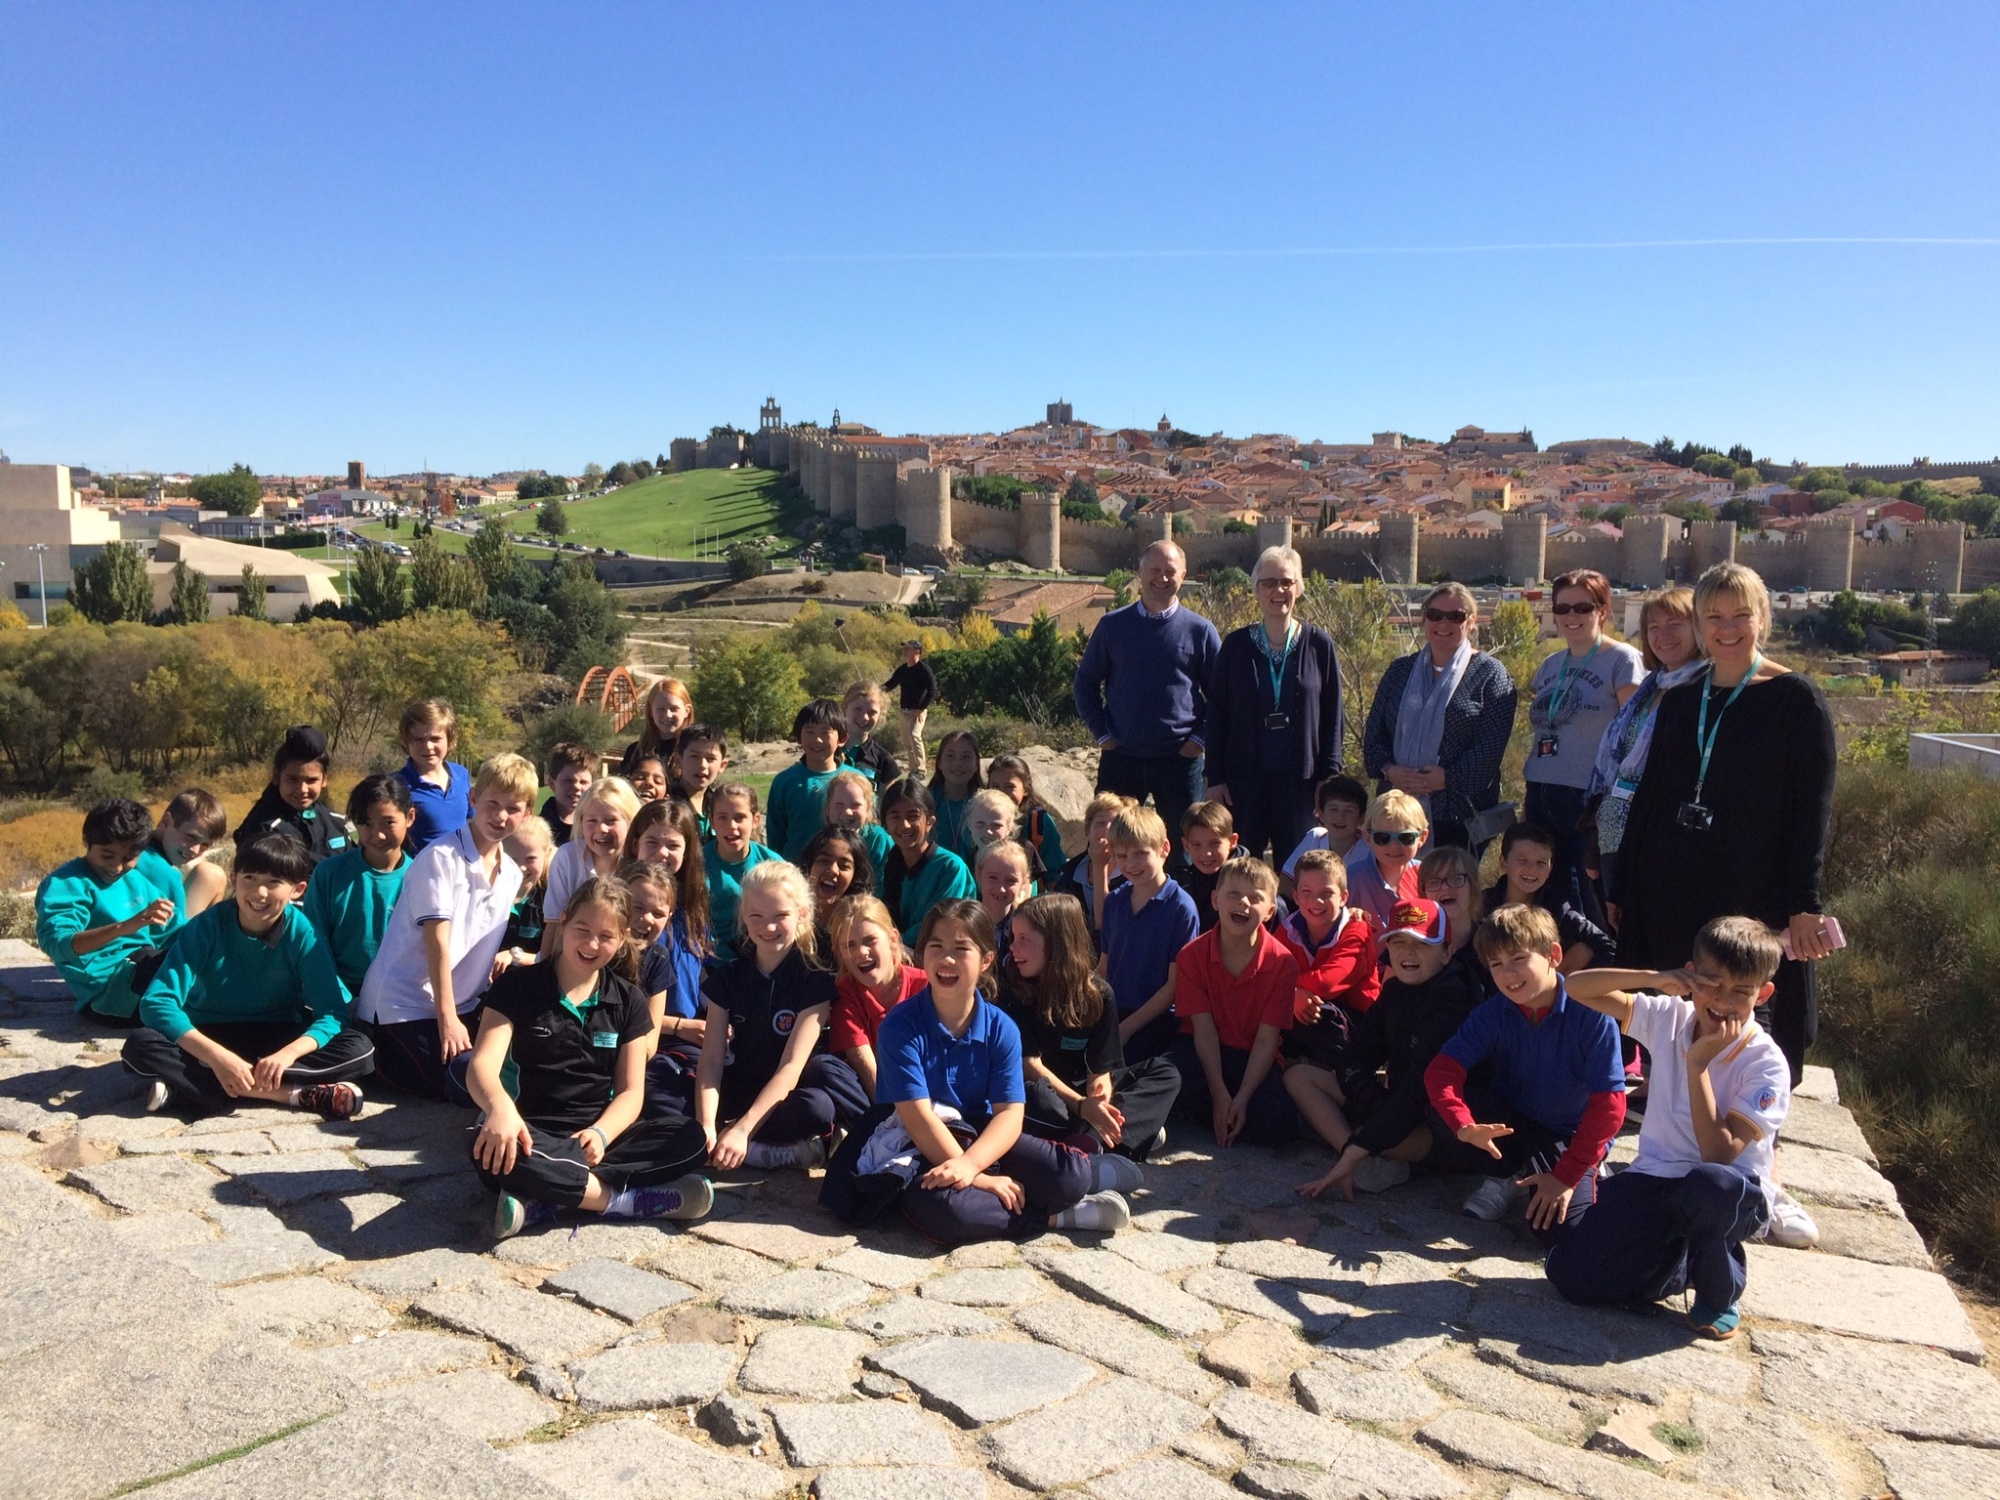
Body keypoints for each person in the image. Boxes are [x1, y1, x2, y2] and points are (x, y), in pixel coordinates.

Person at [1612, 562, 1837, 1093]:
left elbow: (1813, 809)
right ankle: (1675, 1087)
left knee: (1743, 984)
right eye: (1713, 616)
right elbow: (1650, 795)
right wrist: (1623, 885)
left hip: (1752, 878)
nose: (1727, 627)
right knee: (1681, 983)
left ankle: (1748, 1097)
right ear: (1699, 625)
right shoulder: (1683, 699)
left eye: (1741, 614)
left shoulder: (1796, 700)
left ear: (1762, 618)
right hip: (1674, 873)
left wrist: (1805, 902)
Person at [1545, 917, 1790, 1340]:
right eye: (1711, 984)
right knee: (1573, 1277)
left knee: (1710, 1185)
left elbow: (1719, 1154)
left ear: (1762, 993)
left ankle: (1719, 1289)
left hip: (1730, 1191)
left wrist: (1697, 1064)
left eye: (1740, 992)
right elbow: (1576, 987)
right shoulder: (1669, 1016)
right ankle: (1677, 1265)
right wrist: (1656, 979)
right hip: (1658, 1175)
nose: (1722, 1001)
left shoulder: (1765, 1063)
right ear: (1691, 975)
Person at [828, 900, 1128, 1240]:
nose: (946, 959)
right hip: (913, 1139)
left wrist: (971, 1165)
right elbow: (917, 1117)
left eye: (961, 948)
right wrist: (978, 1177)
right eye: (936, 947)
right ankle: (1055, 1219)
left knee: (1069, 1178)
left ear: (986, 959)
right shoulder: (900, 1026)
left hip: (977, 1131)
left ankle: (1076, 1179)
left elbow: (1010, 1115)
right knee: (949, 1211)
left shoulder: (1002, 1028)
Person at [470, 875, 712, 1238]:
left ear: (621, 939)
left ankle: (547, 1197)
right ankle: (625, 1202)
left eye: (606, 936)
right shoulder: (517, 987)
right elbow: (482, 1066)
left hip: (599, 1139)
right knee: (491, 1148)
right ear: (564, 919)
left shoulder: (628, 999)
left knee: (691, 1137)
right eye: (582, 929)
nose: (591, 943)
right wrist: (501, 1110)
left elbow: (631, 1091)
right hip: (529, 1131)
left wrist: (601, 1134)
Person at [123, 834, 373, 1119]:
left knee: (360, 1049)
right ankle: (289, 1094)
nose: (259, 893)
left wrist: (287, 1055)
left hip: (275, 1034)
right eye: (250, 878)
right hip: (208, 1032)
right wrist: (217, 1057)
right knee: (140, 1046)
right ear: (234, 878)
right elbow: (157, 1002)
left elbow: (332, 1012)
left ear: (297, 889)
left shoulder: (302, 932)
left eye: (274, 882)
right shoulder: (206, 926)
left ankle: (196, 1088)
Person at [1422, 904, 1627, 1240]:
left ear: (1553, 955)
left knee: (1558, 1232)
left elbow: (1611, 1107)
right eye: (1497, 964)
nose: (1508, 973)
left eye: (1518, 959)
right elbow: (1441, 1070)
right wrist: (1464, 1126)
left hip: (1570, 1133)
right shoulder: (1493, 1011)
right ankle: (1507, 1174)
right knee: (1439, 1109)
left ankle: (1587, 1171)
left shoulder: (1592, 1012)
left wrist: (1566, 1175)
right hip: (1515, 1123)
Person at [356, 753, 534, 1103]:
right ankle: (368, 1059)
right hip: (403, 1007)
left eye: (513, 809)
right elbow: (438, 942)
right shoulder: (441, 857)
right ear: (473, 799)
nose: (500, 816)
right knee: (464, 1084)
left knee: (515, 1068)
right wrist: (448, 1018)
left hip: (464, 1003)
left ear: (527, 813)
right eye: (492, 803)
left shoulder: (511, 873)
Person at [1292, 897, 1484, 1200]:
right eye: (1398, 942)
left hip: (1435, 1121)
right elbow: (1355, 1056)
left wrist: (1373, 1113)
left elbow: (1418, 1092)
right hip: (1394, 1102)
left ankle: (1361, 1153)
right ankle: (1362, 1159)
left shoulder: (1453, 1004)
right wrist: (1368, 1096)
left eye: (1422, 943)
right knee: (1299, 1076)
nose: (1408, 952)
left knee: (1420, 1119)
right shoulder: (1395, 991)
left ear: (1447, 953)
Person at [696, 861, 868, 1170]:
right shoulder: (728, 977)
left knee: (818, 1108)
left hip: (783, 1096)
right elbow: (710, 1059)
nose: (768, 927)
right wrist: (706, 1124)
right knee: (667, 1091)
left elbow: (791, 1067)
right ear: (744, 919)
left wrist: (743, 1129)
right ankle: (724, 1142)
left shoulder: (814, 980)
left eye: (781, 916)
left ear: (802, 914)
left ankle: (753, 1148)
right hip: (739, 1087)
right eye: (756, 917)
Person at [1003, 892, 1180, 1160]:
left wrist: (1099, 1102)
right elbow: (1029, 1066)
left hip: (1080, 1091)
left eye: (1024, 940)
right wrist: (1082, 1106)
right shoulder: (1014, 989)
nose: (1013, 949)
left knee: (1166, 1073)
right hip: (1046, 1089)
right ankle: (1126, 1135)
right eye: (1012, 939)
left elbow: (1101, 1070)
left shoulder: (1098, 994)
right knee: (1036, 1100)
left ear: (1056, 945)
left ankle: (1095, 1137)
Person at [1073, 540, 1220, 857]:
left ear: (1183, 575)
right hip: (1122, 757)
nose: (1162, 578)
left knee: (1184, 851)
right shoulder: (1113, 626)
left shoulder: (1201, 631)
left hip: (1180, 762)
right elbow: (1085, 683)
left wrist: (1198, 740)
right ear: (1140, 573)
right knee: (1111, 850)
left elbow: (1223, 697)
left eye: (1170, 571)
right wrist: (1103, 734)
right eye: (1154, 570)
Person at [1205, 545, 1345, 866]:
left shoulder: (1319, 645)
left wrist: (1329, 777)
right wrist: (1215, 778)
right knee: (1241, 866)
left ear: (1299, 588)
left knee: (1299, 869)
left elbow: (1333, 715)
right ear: (1256, 590)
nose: (1278, 590)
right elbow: (1217, 715)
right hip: (1243, 783)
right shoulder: (1236, 646)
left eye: (1286, 582)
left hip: (1302, 786)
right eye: (1269, 583)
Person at [1523, 570, 1642, 923]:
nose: (1571, 617)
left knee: (1592, 901)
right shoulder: (1551, 665)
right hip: (1542, 791)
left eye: (1582, 607)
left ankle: (1604, 970)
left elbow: (1634, 737)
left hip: (1588, 800)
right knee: (1548, 897)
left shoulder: (1623, 660)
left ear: (1602, 611)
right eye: (1563, 608)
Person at [1363, 583, 1518, 851]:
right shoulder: (1400, 671)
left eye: (1455, 616)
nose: (1443, 623)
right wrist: (1390, 770)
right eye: (1435, 615)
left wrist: (1447, 778)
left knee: (1451, 889)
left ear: (1471, 621)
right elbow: (1374, 736)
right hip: (1396, 817)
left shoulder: (1492, 676)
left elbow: (1490, 748)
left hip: (1458, 819)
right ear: (1424, 619)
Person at [1169, 856, 1301, 1147]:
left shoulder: (1283, 963)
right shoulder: (1191, 955)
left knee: (1286, 1125)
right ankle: (1217, 1113)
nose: (1243, 903)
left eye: (1255, 898)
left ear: (1269, 911)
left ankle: (1223, 1115)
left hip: (1251, 1055)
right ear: (1215, 900)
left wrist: (1240, 1098)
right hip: (1203, 1050)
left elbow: (1267, 1040)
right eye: (1233, 895)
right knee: (1167, 1079)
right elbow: (1203, 1030)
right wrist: (1220, 1095)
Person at [1588, 585, 1703, 906]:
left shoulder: (1707, 690)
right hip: (1617, 831)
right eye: (1654, 627)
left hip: (1666, 838)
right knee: (1621, 935)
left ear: (1699, 629)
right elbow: (1618, 763)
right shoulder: (1650, 687)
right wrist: (1597, 841)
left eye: (1675, 624)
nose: (1662, 635)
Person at [38, 797, 185, 1025]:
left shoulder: (135, 879)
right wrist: (123, 928)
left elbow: (176, 931)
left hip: (144, 964)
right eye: (107, 855)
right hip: (110, 995)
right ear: (87, 840)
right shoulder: (66, 883)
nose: (117, 867)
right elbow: (59, 945)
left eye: (128, 858)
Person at [303, 775, 415, 1005]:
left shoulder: (423, 877)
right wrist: (343, 1000)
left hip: (404, 996)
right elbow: (314, 946)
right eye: (366, 824)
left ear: (410, 817)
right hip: (339, 995)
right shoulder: (329, 874)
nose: (378, 835)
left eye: (388, 822)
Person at [1102, 805, 1200, 1063]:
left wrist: (1125, 1030)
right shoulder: (1114, 901)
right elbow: (1104, 966)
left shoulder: (1181, 908)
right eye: (1121, 856)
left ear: (1164, 849)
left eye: (1140, 854)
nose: (1130, 864)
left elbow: (1173, 987)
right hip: (1113, 1012)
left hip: (1158, 1019)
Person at [1280, 849, 1380, 1069]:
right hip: (1308, 1013)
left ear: (1343, 897)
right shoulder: (1288, 928)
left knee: (1321, 1012)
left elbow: (1327, 982)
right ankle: (1291, 1061)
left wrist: (1290, 992)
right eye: (1306, 892)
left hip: (1360, 1024)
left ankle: (1343, 1074)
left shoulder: (1356, 930)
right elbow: (1267, 973)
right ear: (1295, 895)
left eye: (1326, 893)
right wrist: (1292, 995)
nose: (1316, 901)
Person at [828, 894, 927, 1099]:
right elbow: (867, 1071)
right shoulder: (845, 994)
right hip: (882, 1100)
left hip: (928, 1092)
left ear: (892, 939)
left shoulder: (926, 986)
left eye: (869, 940)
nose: (861, 952)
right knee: (825, 1070)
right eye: (849, 945)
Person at [1486, 823, 1614, 972]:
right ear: (1504, 862)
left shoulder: (1558, 909)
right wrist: (1563, 967)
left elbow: (1608, 948)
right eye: (1522, 860)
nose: (1532, 869)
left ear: (1550, 868)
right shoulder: (1481, 907)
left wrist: (1563, 979)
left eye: (1541, 863)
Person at [540, 777, 642, 947]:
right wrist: (546, 970)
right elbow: (554, 925)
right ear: (581, 822)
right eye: (592, 821)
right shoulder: (568, 857)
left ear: (631, 822)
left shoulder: (639, 863)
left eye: (611, 821)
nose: (601, 829)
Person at [232, 725, 351, 867]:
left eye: (311, 780)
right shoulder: (263, 828)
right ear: (276, 777)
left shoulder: (334, 822)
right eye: (292, 779)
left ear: (324, 779)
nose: (302, 789)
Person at [878, 778, 977, 947]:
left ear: (930, 822)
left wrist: (892, 944)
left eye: (913, 816)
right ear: (885, 825)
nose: (904, 825)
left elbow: (939, 923)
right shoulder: (889, 862)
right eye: (895, 816)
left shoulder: (950, 867)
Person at [767, 698, 849, 863]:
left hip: (842, 871)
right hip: (795, 874)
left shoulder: (854, 780)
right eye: (810, 732)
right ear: (798, 736)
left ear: (842, 739)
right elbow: (776, 836)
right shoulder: (784, 782)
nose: (817, 740)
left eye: (825, 733)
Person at [702, 782, 776, 962]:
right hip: (709, 963)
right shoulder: (697, 863)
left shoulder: (772, 865)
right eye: (722, 817)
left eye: (740, 817)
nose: (731, 826)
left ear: (756, 820)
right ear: (711, 820)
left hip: (761, 959)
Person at [396, 698, 473, 857]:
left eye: (435, 739)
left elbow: (473, 821)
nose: (428, 746)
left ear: (450, 741)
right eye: (418, 739)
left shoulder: (461, 775)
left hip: (463, 872)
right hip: (423, 875)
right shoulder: (397, 785)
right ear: (406, 743)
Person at [1346, 791, 1427, 931]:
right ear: (1368, 838)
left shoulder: (1426, 875)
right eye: (1382, 838)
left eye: (1405, 837)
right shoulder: (1352, 878)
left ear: (1422, 838)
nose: (1394, 846)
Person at [983, 754, 1066, 887]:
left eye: (1010, 786)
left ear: (1025, 790)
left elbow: (1054, 873)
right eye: (995, 787)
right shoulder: (980, 820)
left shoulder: (1038, 822)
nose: (1002, 793)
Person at [1061, 792, 1132, 945]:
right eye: (1100, 823)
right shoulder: (1071, 871)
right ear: (1087, 830)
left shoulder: (1132, 874)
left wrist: (1101, 865)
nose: (1107, 829)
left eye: (1114, 824)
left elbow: (1105, 925)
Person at [1417, 844, 1487, 993]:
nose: (1445, 887)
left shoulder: (1493, 940)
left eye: (1455, 879)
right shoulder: (1410, 941)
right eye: (1434, 881)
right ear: (1423, 892)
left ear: (1473, 885)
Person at [148, 789, 228, 919]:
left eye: (205, 845)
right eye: (191, 837)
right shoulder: (167, 876)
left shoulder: (132, 848)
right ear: (167, 821)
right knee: (211, 874)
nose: (196, 851)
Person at [1280, 774, 1369, 888]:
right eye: (1333, 809)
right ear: (1321, 814)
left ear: (1361, 818)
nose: (1340, 817)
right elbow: (1286, 881)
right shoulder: (1315, 838)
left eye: (1349, 811)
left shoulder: (1369, 848)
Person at [1173, 801, 1239, 935]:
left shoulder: (1250, 882)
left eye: (1214, 843)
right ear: (1186, 845)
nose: (1206, 853)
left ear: (1232, 841)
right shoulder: (1184, 886)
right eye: (1197, 845)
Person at [802, 825, 874, 948]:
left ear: (855, 877)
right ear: (809, 866)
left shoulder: (861, 924)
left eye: (844, 865)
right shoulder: (788, 914)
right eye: (824, 861)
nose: (833, 870)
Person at [823, 769, 895, 885]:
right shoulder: (822, 840)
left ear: (868, 810)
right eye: (839, 805)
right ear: (828, 808)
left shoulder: (877, 840)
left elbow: (885, 885)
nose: (847, 812)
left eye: (855, 805)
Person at [500, 816, 553, 962]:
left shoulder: (552, 899)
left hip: (531, 981)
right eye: (512, 859)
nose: (521, 868)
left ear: (546, 855)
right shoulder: (487, 895)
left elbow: (555, 955)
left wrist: (515, 957)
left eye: (530, 859)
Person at [619, 677, 694, 778]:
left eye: (674, 709)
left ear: (687, 711)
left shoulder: (693, 752)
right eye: (661, 709)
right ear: (651, 711)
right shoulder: (635, 752)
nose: (667, 715)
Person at [884, 640, 938, 780]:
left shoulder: (924, 670)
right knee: (908, 742)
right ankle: (913, 771)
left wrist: (921, 709)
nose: (904, 651)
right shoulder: (902, 670)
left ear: (917, 651)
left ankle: (921, 770)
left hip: (917, 712)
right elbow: (890, 685)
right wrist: (874, 690)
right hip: (904, 711)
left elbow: (932, 690)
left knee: (915, 735)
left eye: (907, 648)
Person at [927, 729, 984, 858]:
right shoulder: (924, 802)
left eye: (966, 757)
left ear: (976, 764)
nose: (958, 763)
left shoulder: (987, 804)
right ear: (939, 762)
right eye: (950, 756)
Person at [841, 680, 901, 787]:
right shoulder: (827, 750)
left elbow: (886, 802)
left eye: (872, 712)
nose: (865, 717)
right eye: (858, 709)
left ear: (881, 714)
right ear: (845, 708)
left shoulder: (884, 760)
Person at [674, 723, 730, 835]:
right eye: (694, 757)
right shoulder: (669, 805)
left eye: (710, 758)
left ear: (722, 765)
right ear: (679, 761)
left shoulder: (721, 806)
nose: (702, 765)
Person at [539, 741, 595, 850]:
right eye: (568, 781)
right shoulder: (539, 829)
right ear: (552, 784)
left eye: (583, 782)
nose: (577, 787)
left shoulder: (595, 827)